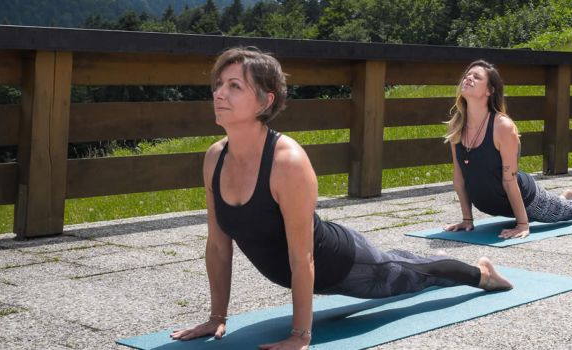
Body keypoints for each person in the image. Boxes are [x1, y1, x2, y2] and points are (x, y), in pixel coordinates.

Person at [169, 47, 513, 349]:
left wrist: (301, 333)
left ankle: (480, 273)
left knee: (409, 274)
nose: (219, 94)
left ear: (265, 100)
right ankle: (472, 269)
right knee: (405, 262)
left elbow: (302, 256)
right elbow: (217, 245)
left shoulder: (286, 161)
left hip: (341, 262)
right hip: (304, 268)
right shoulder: (215, 157)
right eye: (218, 84)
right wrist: (216, 317)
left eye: (234, 86)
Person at [442, 60, 572, 239]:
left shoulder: (502, 127)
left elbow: (509, 179)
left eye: (476, 77)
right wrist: (467, 220)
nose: (468, 78)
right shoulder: (457, 125)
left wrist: (523, 224)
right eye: (467, 75)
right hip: (494, 204)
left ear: (490, 90)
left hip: (527, 199)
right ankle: (563, 198)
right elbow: (459, 176)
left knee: (569, 211)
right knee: (560, 205)